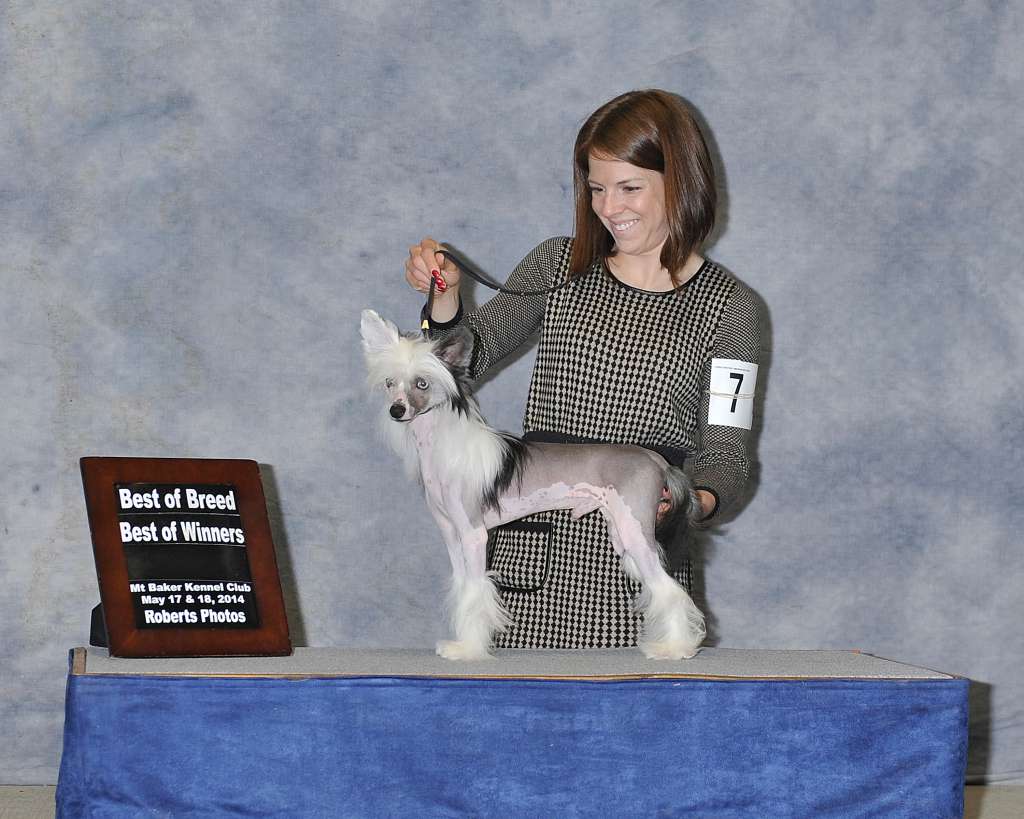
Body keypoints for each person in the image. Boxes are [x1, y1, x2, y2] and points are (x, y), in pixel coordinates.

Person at [404, 89, 761, 649]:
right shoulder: (558, 264)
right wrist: (443, 298)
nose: (609, 207)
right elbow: (468, 358)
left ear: (682, 181)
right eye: (596, 188)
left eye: (629, 187)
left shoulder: (730, 308)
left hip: (635, 590)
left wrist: (691, 498)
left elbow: (726, 456)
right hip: (533, 581)